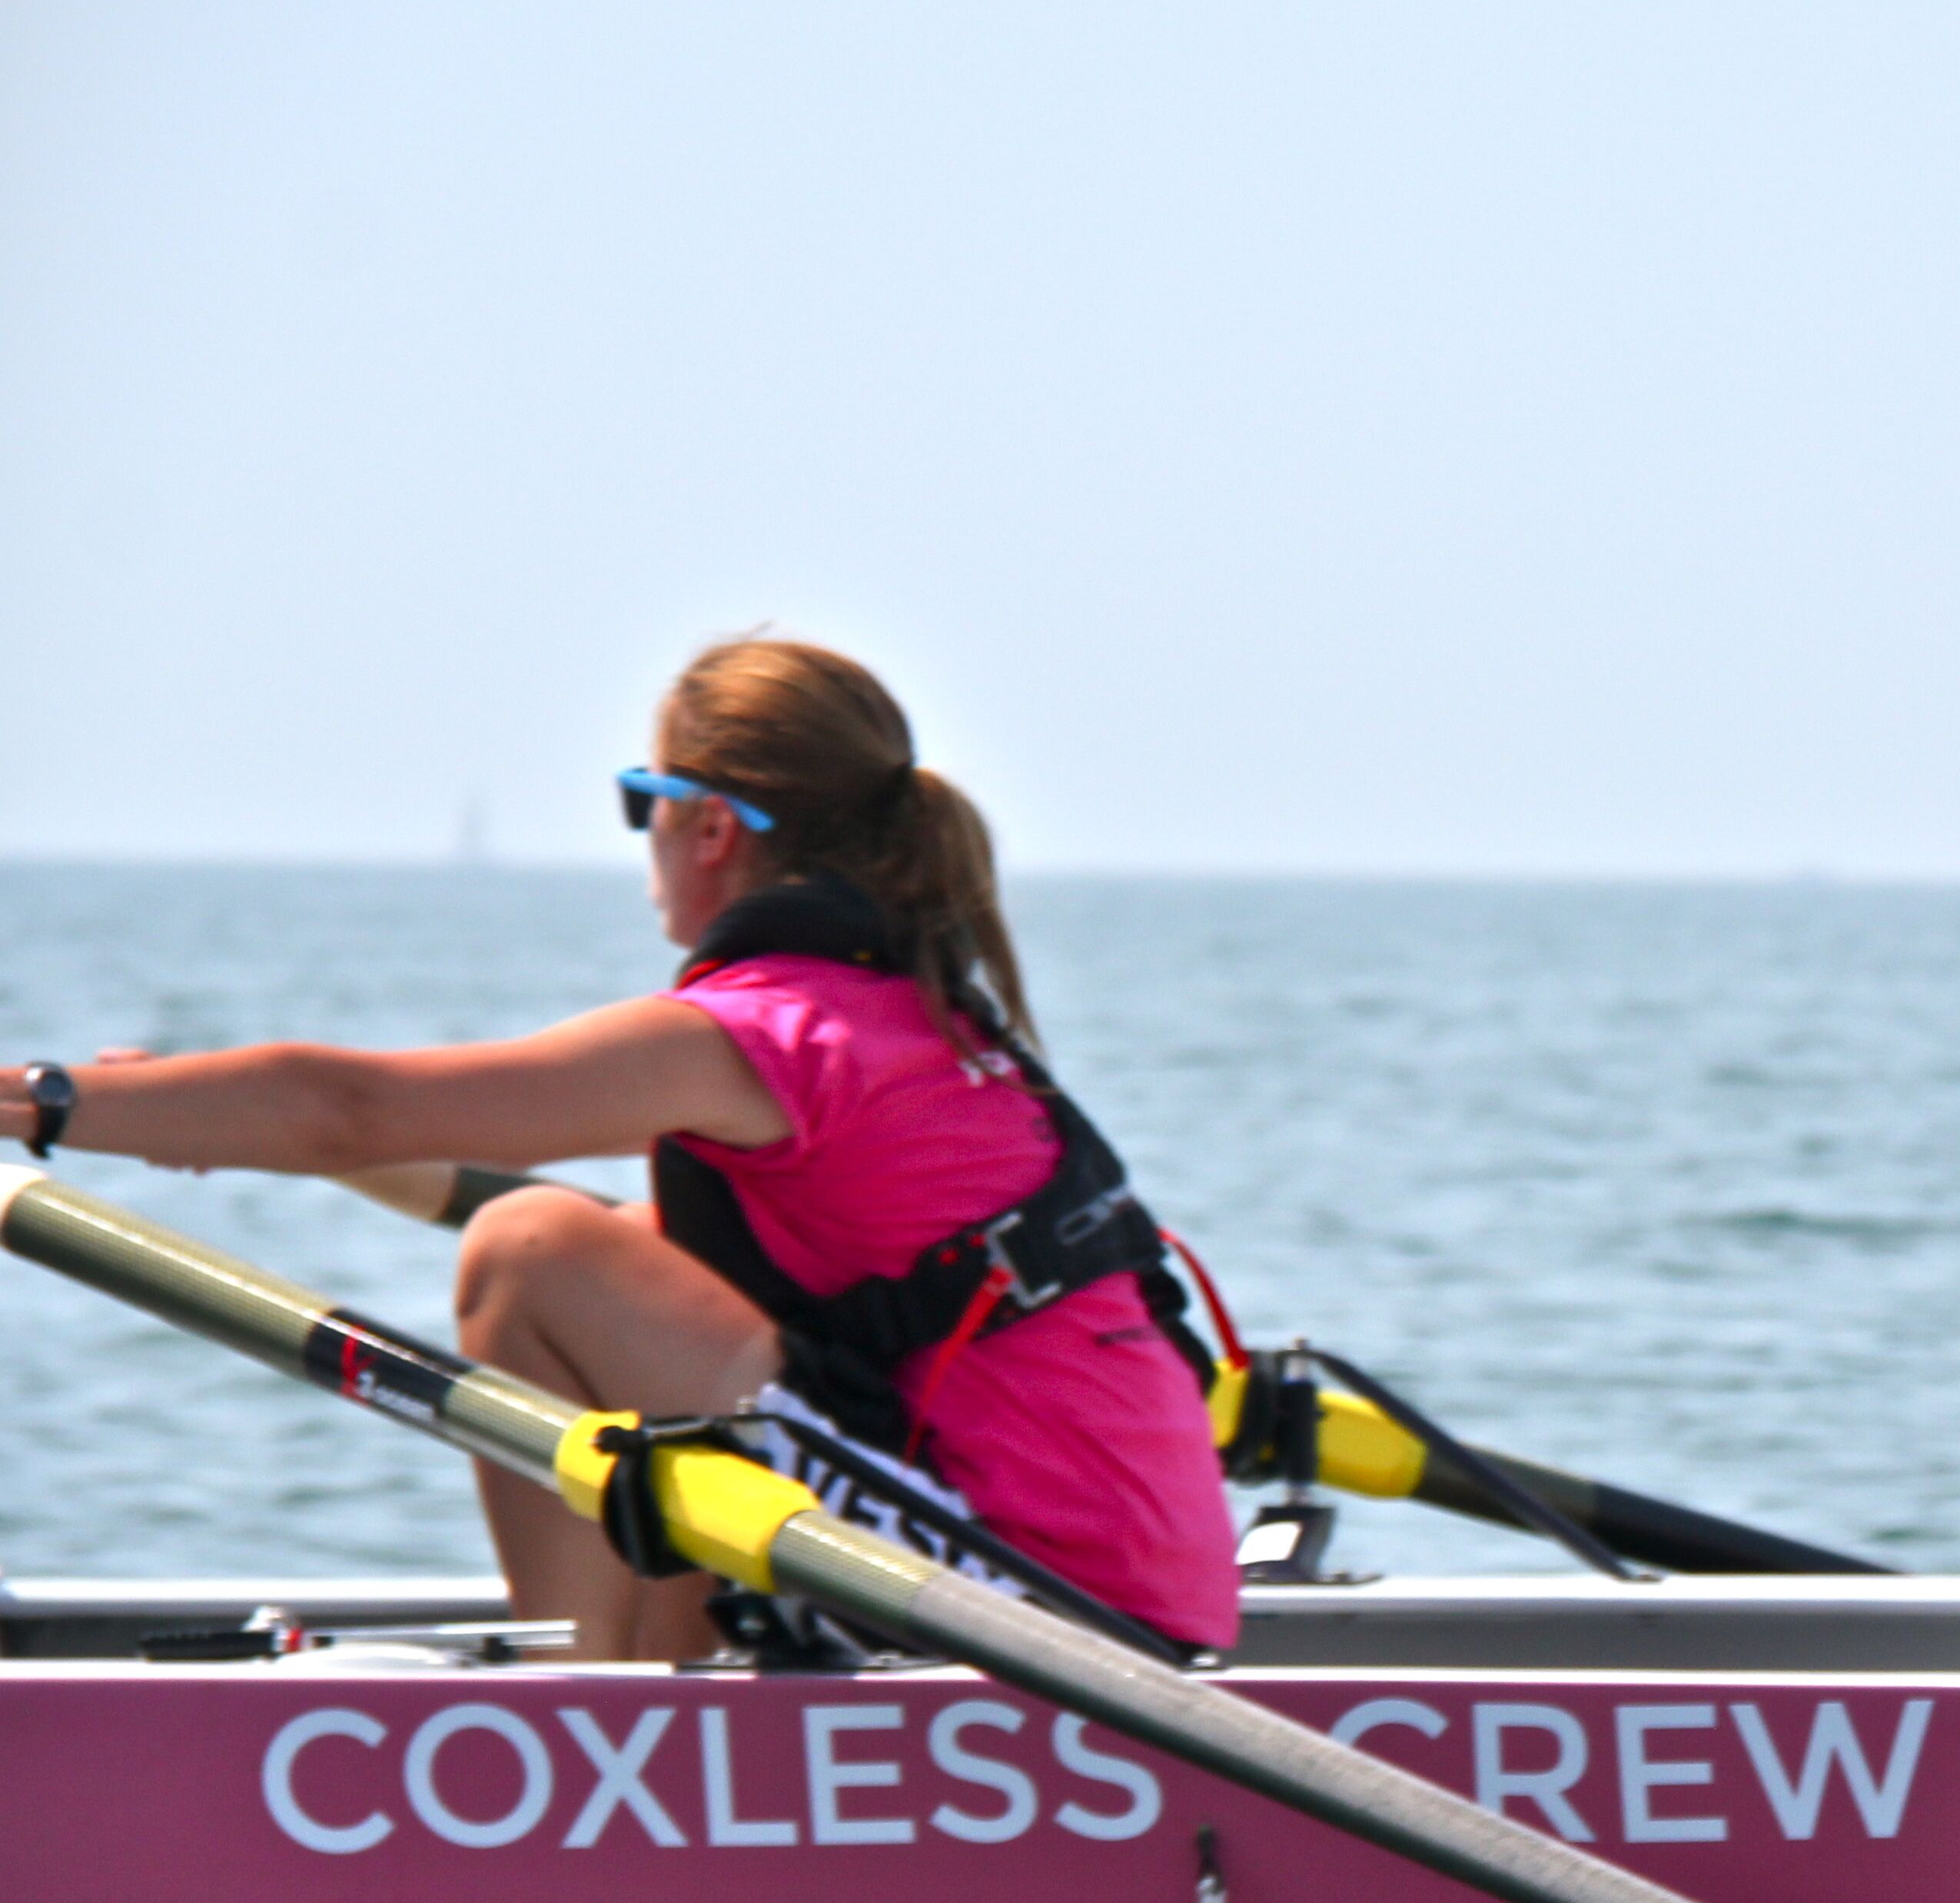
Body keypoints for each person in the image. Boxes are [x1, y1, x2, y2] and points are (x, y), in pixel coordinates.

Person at [2, 639, 1242, 1661]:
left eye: (642, 804)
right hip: (1125, 1605)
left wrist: (46, 1101)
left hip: (1055, 1630)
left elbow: (364, 1115)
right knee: (580, 1281)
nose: (642, 838)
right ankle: (641, 1691)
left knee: (532, 1255)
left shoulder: (767, 1032)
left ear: (711, 826)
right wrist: (199, 1127)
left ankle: (585, 1715)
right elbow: (456, 1179)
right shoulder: (907, 1019)